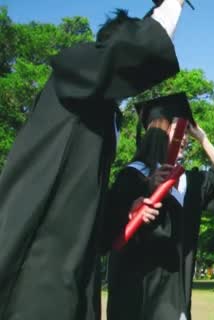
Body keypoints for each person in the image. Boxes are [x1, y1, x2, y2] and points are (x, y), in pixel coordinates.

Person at [0, 1, 187, 319]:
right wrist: (171, 5)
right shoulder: (74, 73)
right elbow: (124, 53)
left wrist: (126, 209)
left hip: (72, 259)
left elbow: (87, 195)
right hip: (41, 253)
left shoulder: (103, 113)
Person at [103, 92, 214, 320]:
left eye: (185, 130)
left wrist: (203, 139)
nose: (182, 136)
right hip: (139, 290)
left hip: (177, 289)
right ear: (157, 130)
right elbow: (111, 231)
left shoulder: (189, 181)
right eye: (175, 128)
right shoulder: (133, 175)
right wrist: (147, 190)